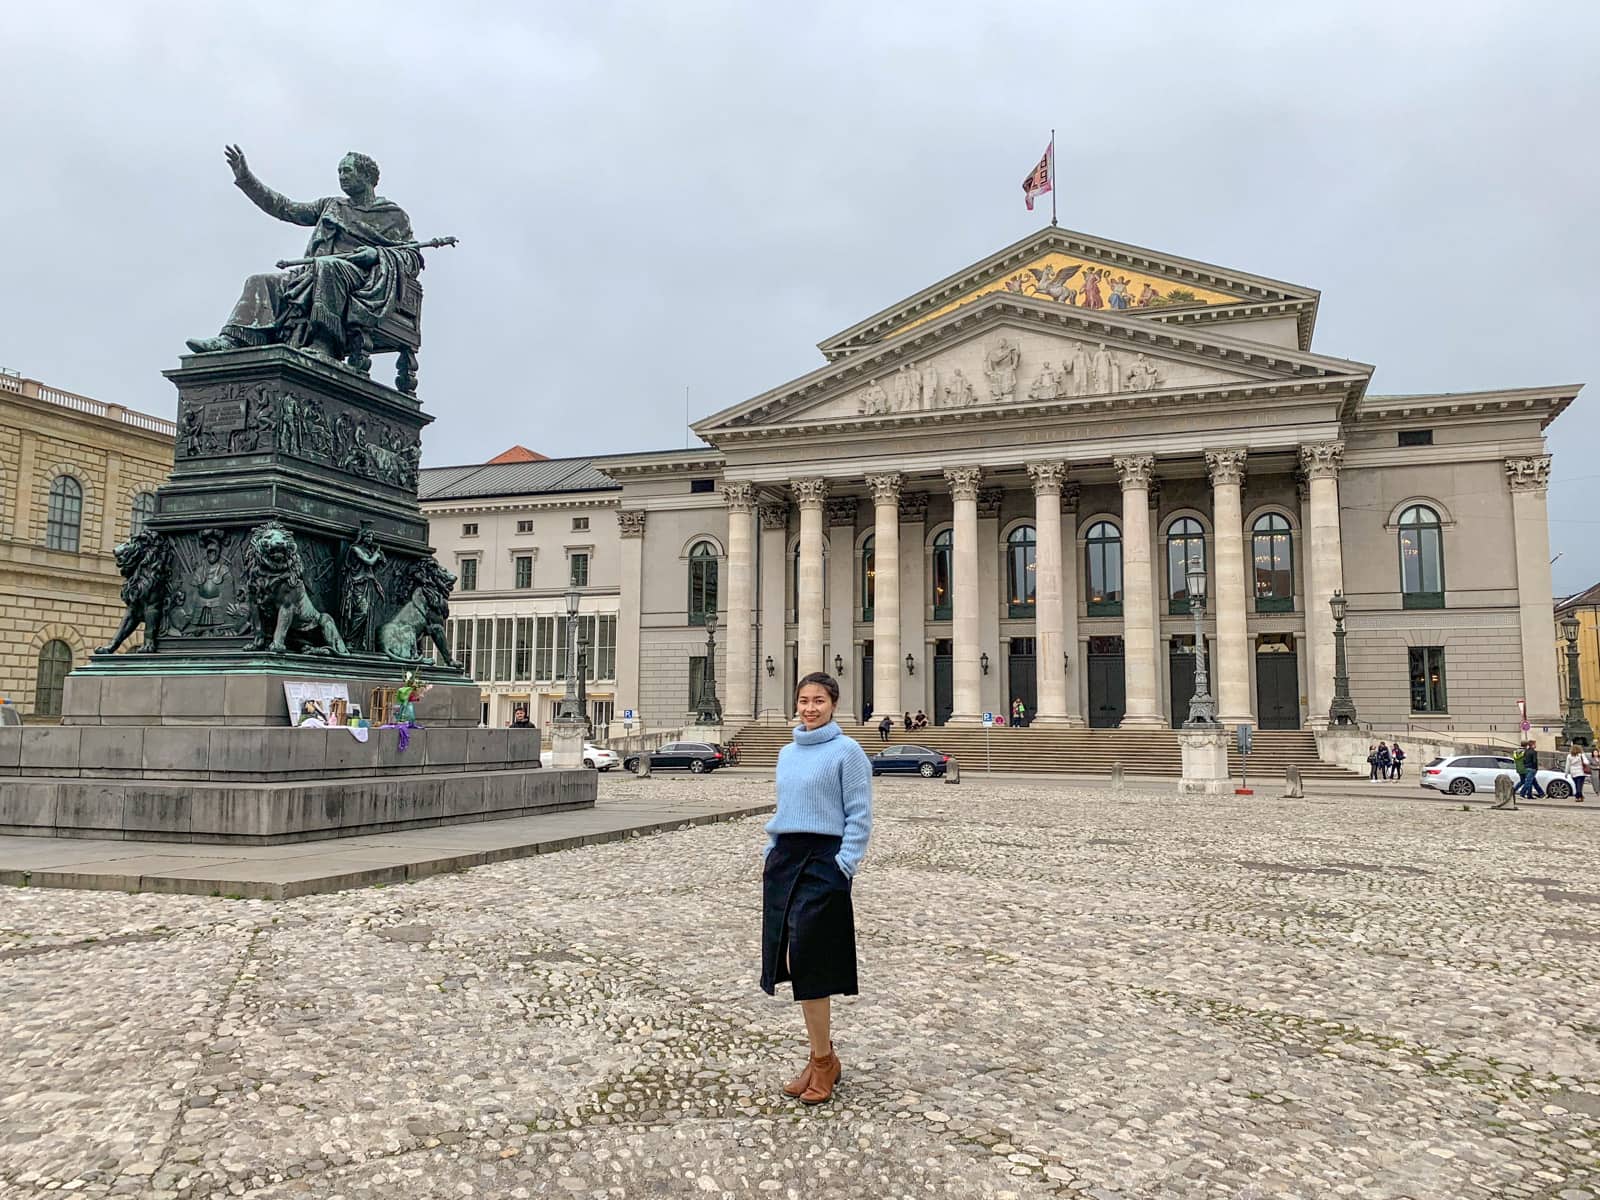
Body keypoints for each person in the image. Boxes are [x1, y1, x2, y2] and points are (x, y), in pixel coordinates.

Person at [187, 145, 423, 364]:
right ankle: (234, 340)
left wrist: (376, 254)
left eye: (347, 171)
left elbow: (412, 258)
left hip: (361, 279)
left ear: (367, 176)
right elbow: (285, 208)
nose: (342, 176)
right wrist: (246, 179)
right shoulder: (331, 205)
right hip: (314, 274)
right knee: (260, 281)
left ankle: (325, 342)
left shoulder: (393, 215)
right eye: (339, 171)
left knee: (328, 267)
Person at [761, 672, 872, 1106]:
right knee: (789, 958)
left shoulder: (848, 752)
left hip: (824, 861)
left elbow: (859, 814)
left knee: (808, 957)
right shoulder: (787, 752)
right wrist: (771, 851)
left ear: (834, 704)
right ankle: (820, 1056)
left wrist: (845, 864)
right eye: (804, 700)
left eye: (819, 701)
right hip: (786, 858)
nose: (810, 708)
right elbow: (783, 806)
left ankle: (824, 1061)